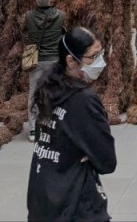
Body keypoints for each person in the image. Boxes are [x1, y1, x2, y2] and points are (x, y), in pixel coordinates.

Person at [27, 27, 116, 222]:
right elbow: (107, 161)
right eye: (93, 56)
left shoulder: (46, 88)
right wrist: (88, 152)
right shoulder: (84, 100)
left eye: (100, 53)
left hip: (41, 195)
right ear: (70, 60)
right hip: (75, 204)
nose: (100, 61)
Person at [25, 0, 66, 141]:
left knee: (34, 94)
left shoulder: (28, 16)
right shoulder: (61, 15)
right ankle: (53, 126)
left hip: (37, 61)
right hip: (54, 60)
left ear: (36, 0)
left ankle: (33, 130)